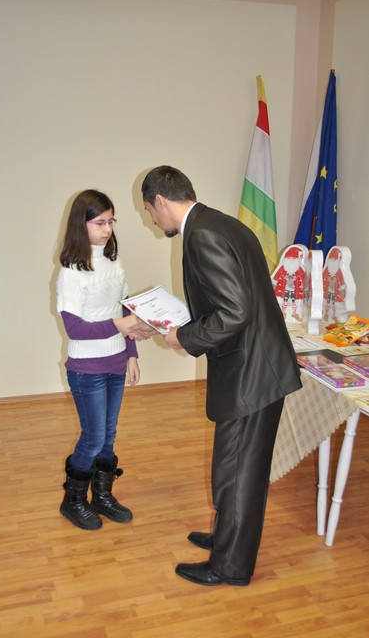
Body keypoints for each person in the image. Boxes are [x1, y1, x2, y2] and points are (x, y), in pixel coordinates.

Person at [140, 166, 302, 586]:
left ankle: (231, 567)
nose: (152, 220)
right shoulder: (222, 224)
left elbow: (235, 311)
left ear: (160, 200)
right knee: (232, 467)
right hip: (256, 365)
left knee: (240, 472)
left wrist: (183, 337)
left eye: (149, 211)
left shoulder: (201, 235)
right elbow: (235, 300)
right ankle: (226, 539)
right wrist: (181, 323)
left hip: (253, 373)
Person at [56, 189, 149, 531]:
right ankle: (73, 500)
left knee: (108, 437)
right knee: (93, 438)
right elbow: (75, 329)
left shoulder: (114, 263)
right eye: (99, 223)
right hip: (86, 370)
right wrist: (119, 326)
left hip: (115, 363)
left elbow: (126, 311)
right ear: (81, 225)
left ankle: (102, 496)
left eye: (111, 221)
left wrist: (131, 354)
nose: (107, 229)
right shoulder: (71, 272)